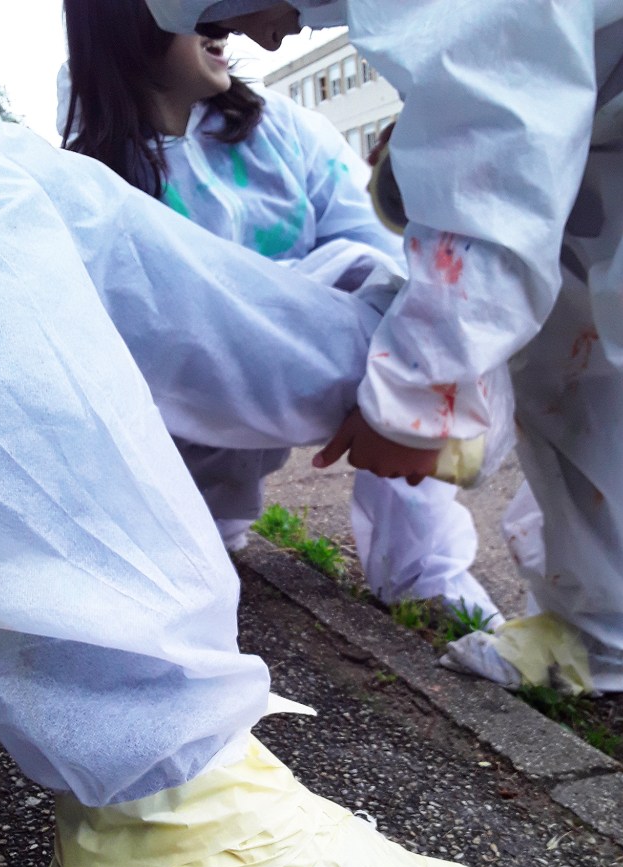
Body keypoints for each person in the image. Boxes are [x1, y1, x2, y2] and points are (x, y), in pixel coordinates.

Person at [0, 21, 504, 867]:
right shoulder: (104, 135)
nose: (272, 29)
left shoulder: (269, 133)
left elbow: (148, 273)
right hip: (197, 435)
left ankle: (163, 780)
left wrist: (394, 375)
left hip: (267, 376)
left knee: (10, 196)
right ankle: (161, 823)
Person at [148, 0, 623, 696]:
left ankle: (591, 628)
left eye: (229, 14)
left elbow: (493, 157)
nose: (261, 41)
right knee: (578, 373)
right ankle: (594, 633)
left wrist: (416, 393)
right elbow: (513, 99)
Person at [59, 0, 506, 619]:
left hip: (315, 371)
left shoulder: (283, 129)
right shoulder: (91, 179)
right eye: (204, 12)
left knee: (397, 310)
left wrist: (399, 379)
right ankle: (207, 535)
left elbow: (385, 258)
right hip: (184, 419)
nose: (226, 28)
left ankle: (426, 576)